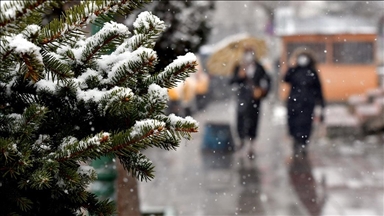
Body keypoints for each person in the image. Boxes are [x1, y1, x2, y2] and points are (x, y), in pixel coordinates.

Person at [230, 47, 271, 159]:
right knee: (241, 119)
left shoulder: (259, 67)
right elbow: (232, 81)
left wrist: (262, 90)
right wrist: (239, 76)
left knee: (254, 120)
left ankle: (251, 144)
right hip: (242, 98)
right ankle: (241, 140)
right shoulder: (239, 67)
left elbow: (267, 80)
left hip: (255, 100)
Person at [283, 48, 325, 157]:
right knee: (293, 122)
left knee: (306, 123)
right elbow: (286, 78)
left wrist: (321, 103)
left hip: (308, 103)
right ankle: (296, 140)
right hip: (293, 102)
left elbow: (318, 88)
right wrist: (292, 66)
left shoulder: (312, 72)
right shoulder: (294, 70)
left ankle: (303, 143)